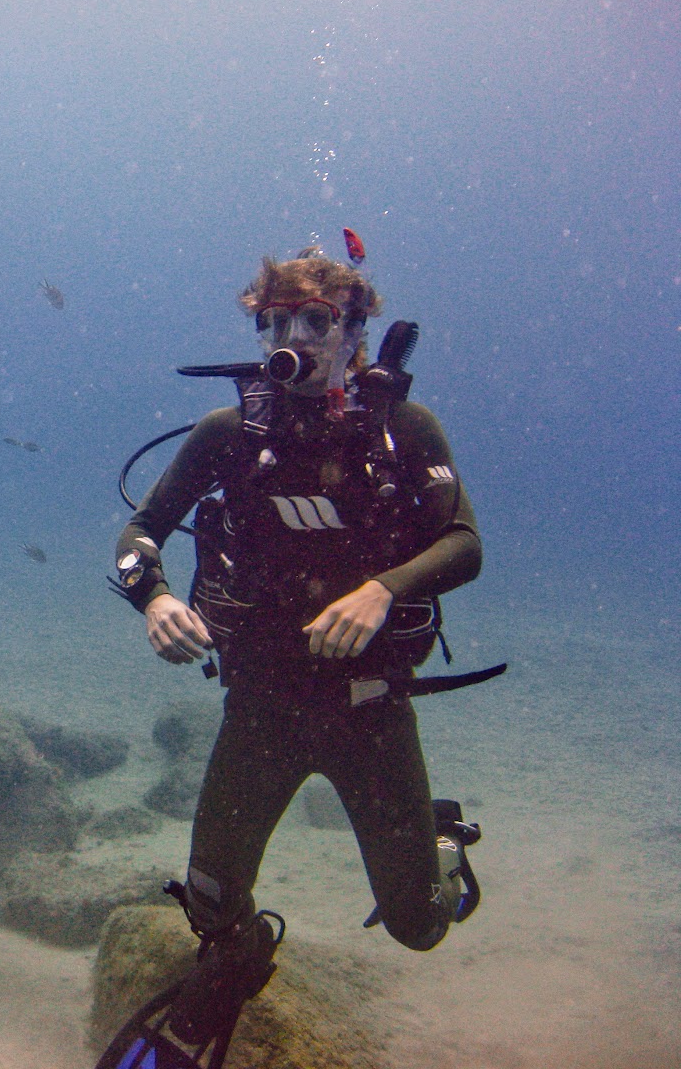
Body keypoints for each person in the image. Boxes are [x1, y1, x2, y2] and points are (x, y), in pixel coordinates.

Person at [111, 247, 483, 1040]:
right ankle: (242, 954)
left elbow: (465, 546)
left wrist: (385, 589)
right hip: (261, 707)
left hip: (372, 713)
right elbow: (140, 530)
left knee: (419, 924)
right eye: (274, 321)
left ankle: (440, 843)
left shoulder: (403, 431)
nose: (293, 336)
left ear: (355, 333)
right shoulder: (227, 435)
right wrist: (154, 595)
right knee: (209, 902)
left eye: (316, 320)